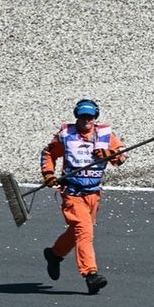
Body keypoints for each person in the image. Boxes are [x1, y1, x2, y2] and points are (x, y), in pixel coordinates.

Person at [39, 99, 126, 295]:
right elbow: (48, 154)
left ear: (95, 117)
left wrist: (109, 153)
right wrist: (49, 175)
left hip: (93, 194)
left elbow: (121, 158)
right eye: (82, 116)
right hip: (72, 193)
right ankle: (90, 275)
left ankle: (54, 254)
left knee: (77, 231)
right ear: (76, 116)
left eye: (90, 116)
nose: (86, 119)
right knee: (84, 231)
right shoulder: (65, 136)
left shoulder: (106, 135)